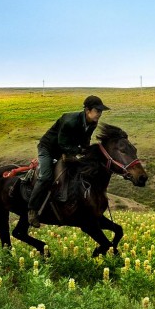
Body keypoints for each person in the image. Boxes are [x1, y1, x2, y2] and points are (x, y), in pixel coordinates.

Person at [27, 95, 110, 227]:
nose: (99, 114)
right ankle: (32, 210)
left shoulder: (93, 123)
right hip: (48, 149)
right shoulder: (70, 121)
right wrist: (79, 151)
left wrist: (87, 152)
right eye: (97, 110)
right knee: (46, 177)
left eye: (101, 111)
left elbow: (85, 141)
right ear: (88, 110)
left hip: (66, 151)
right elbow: (62, 144)